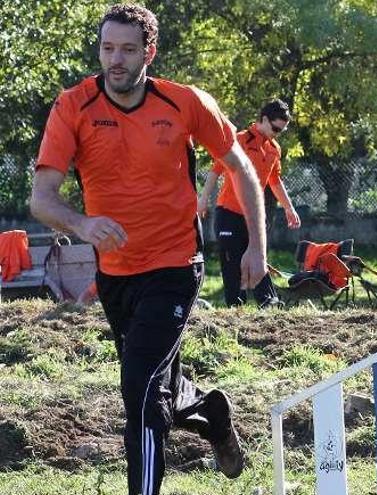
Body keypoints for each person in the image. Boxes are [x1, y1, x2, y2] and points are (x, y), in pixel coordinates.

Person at [29, 5, 265, 494]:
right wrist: (81, 222)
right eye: (107, 48)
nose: (115, 60)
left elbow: (241, 168)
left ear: (148, 53)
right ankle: (212, 415)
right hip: (115, 273)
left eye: (128, 50)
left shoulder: (185, 103)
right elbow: (42, 199)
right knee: (159, 390)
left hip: (175, 264)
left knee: (138, 388)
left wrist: (257, 248)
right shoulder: (73, 106)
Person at [198, 99, 301, 308]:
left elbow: (275, 181)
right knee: (232, 262)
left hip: (253, 216)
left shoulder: (274, 149)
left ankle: (269, 303)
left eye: (281, 130)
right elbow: (215, 171)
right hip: (228, 213)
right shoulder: (238, 141)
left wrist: (289, 207)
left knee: (257, 257)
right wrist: (203, 200)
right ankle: (236, 308)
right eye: (275, 128)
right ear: (263, 119)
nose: (277, 133)